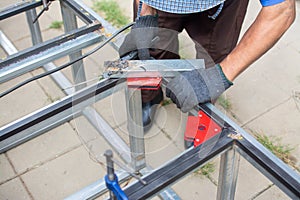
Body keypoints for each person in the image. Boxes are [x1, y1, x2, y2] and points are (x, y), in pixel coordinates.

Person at [119, 0, 295, 129]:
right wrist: (145, 13)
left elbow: (282, 10)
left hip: (219, 6)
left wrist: (220, 75)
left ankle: (199, 114)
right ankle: (150, 98)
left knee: (212, 62)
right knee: (152, 51)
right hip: (161, 4)